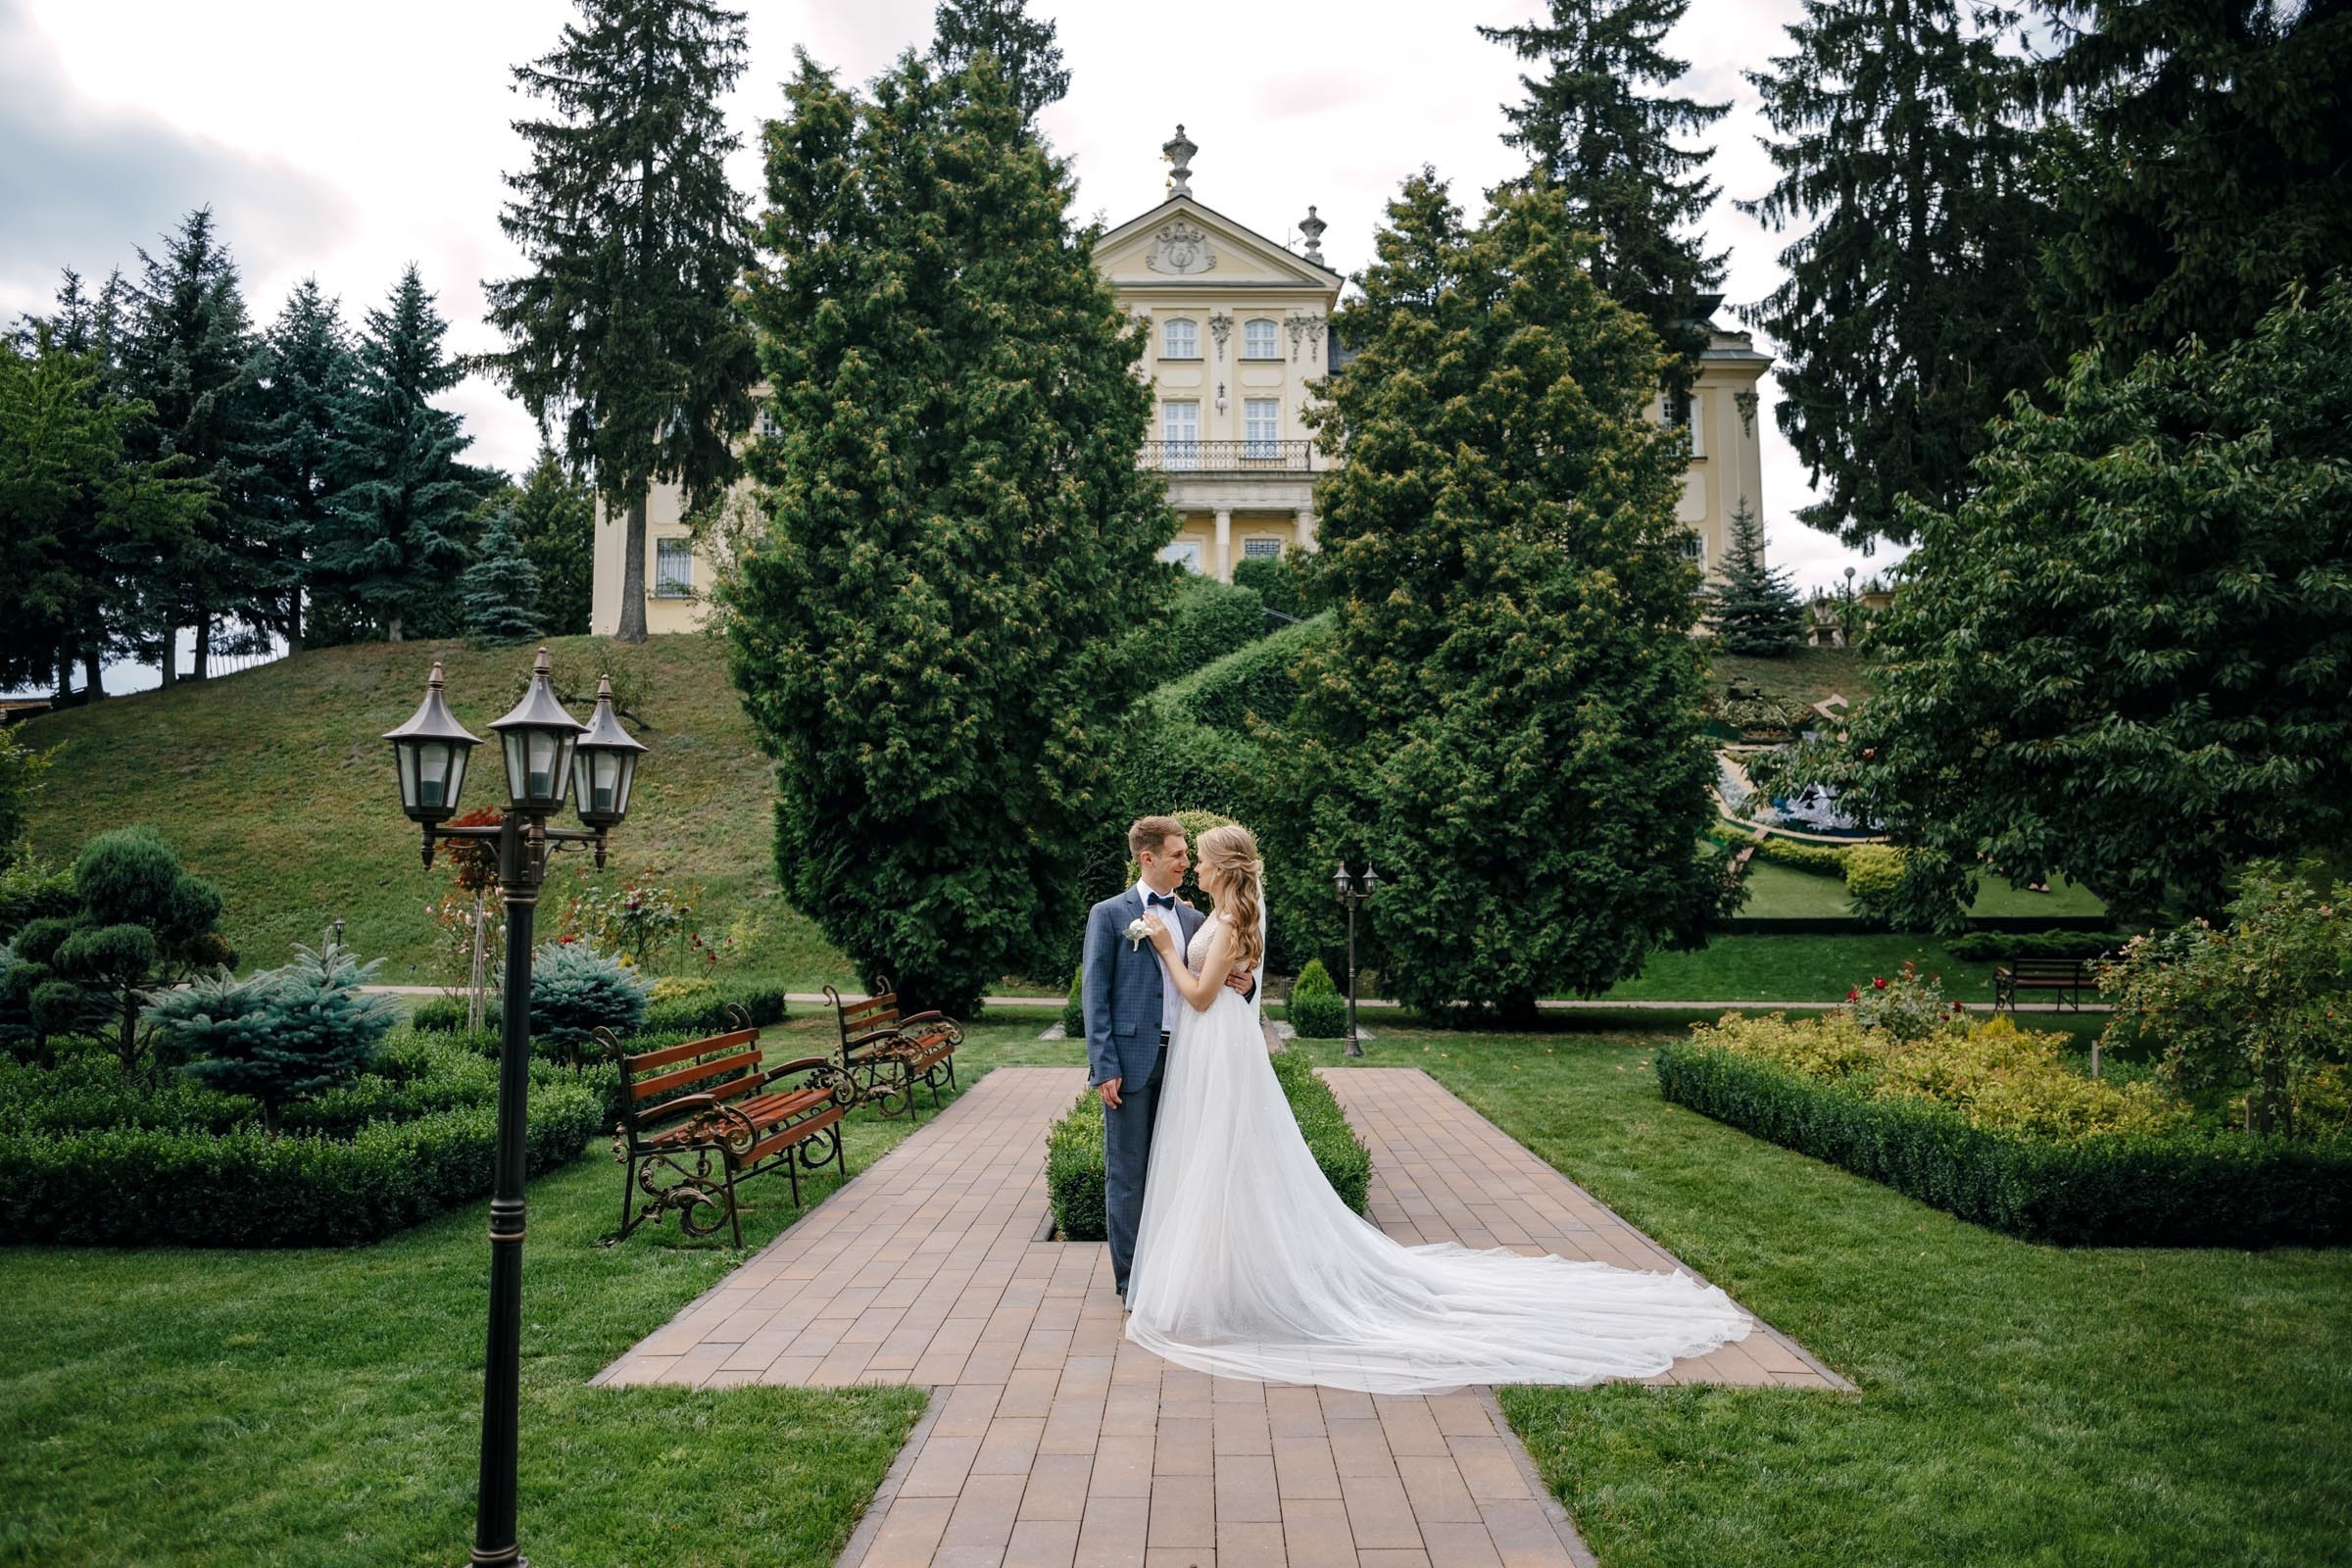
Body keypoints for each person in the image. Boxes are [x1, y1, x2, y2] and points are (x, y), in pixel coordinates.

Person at [1125, 823, 1755, 1394]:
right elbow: (1221, 974)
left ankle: (1229, 1287)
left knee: (1222, 1158)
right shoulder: (1223, 914)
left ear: (1223, 868)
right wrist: (1179, 925)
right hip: (1214, 1051)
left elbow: (1201, 997)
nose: (1195, 868)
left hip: (1217, 1048)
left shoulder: (1231, 924)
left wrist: (1164, 948)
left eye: (1200, 860)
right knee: (1218, 1162)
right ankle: (1223, 1281)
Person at [1079, 815, 1253, 1302]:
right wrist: (1104, 1065)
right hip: (1132, 1062)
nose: (1185, 861)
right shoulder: (1110, 914)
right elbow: (1095, 995)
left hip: (1190, 1061)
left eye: (1187, 855)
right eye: (1177, 854)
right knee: (1129, 1174)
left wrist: (1248, 982)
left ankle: (1172, 1276)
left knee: (1180, 1171)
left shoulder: (1196, 918)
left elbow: (1216, 975)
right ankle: (1132, 1284)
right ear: (1147, 857)